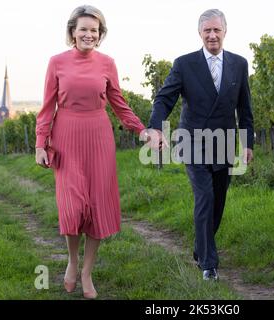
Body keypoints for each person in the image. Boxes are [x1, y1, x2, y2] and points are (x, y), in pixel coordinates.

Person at [35, 5, 146, 299]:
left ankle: (86, 272)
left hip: (98, 136)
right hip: (66, 136)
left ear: (100, 35)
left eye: (94, 30)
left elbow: (118, 103)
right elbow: (47, 108)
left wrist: (140, 129)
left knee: (96, 207)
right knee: (73, 206)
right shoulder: (56, 62)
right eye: (83, 29)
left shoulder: (107, 63)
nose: (88, 34)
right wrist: (39, 145)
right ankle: (72, 260)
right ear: (72, 32)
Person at [147, 9, 254, 280]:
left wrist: (247, 142)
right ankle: (208, 263)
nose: (212, 35)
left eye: (217, 30)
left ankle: (200, 246)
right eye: (207, 30)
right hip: (192, 140)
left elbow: (244, 107)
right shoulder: (184, 64)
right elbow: (164, 99)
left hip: (225, 142)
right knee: (205, 198)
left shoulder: (239, 64)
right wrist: (156, 127)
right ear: (200, 33)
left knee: (218, 201)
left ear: (225, 32)